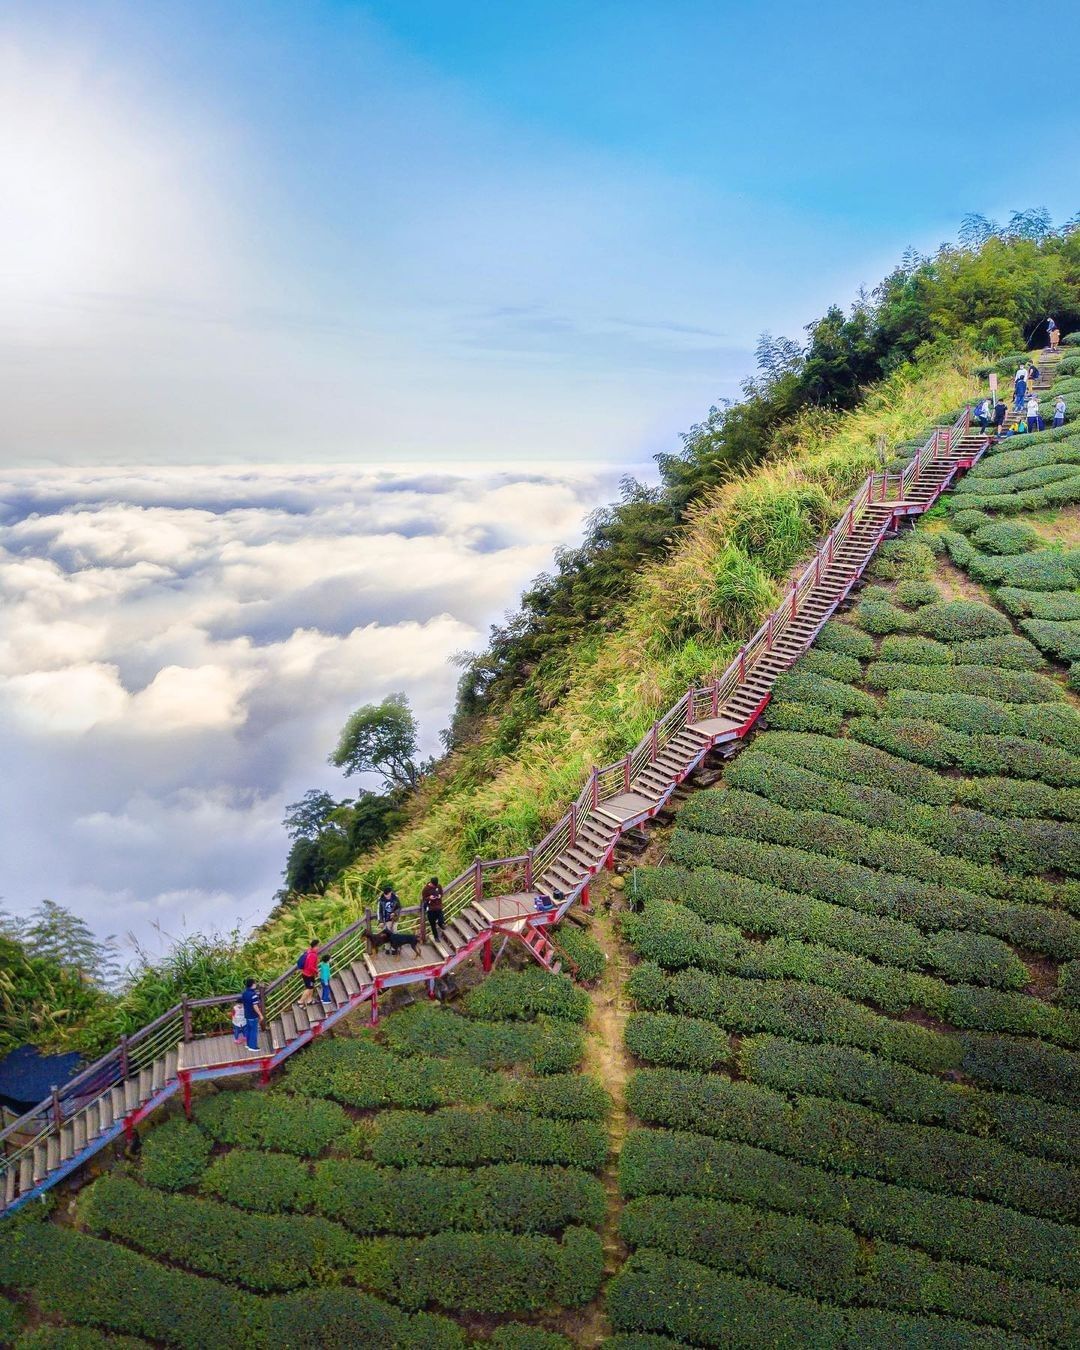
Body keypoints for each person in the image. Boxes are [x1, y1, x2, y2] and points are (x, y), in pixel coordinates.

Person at [240, 978, 265, 1053]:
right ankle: (253, 1046)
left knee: (249, 1030)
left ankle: (248, 1044)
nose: (256, 984)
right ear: (252, 985)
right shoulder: (253, 995)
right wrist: (260, 1015)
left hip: (247, 1014)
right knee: (254, 1031)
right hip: (253, 1015)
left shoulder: (244, 993)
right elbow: (255, 1006)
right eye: (255, 983)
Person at [421, 877, 446, 942]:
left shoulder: (439, 886)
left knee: (441, 919)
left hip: (438, 907)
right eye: (433, 885)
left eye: (436, 885)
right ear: (431, 883)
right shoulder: (425, 889)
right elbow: (423, 898)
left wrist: (440, 895)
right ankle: (436, 937)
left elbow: (441, 892)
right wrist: (429, 897)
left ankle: (440, 924)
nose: (435, 886)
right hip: (431, 909)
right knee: (432, 924)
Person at [296, 938, 320, 1006]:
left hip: (308, 974)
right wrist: (317, 972)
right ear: (314, 946)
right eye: (318, 946)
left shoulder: (309, 951)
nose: (319, 947)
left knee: (311, 986)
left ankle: (309, 1000)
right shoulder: (313, 955)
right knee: (309, 988)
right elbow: (310, 967)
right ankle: (300, 1002)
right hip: (308, 975)